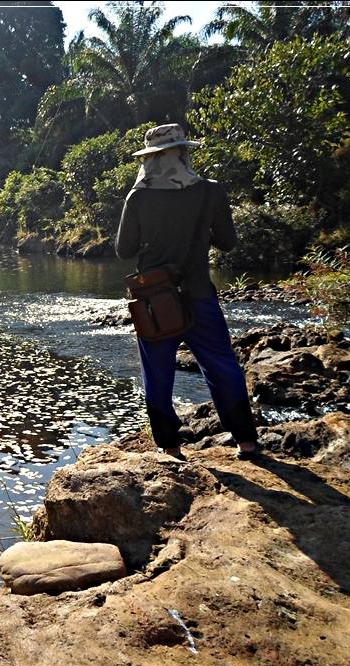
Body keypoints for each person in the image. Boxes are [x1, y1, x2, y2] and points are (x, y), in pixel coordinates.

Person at [115, 123, 259, 461]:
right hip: (199, 293)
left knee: (158, 373)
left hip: (155, 299)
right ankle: (246, 443)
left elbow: (124, 250)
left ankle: (171, 446)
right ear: (184, 152)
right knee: (222, 365)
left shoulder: (139, 196)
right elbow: (228, 242)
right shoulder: (211, 191)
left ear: (150, 158)